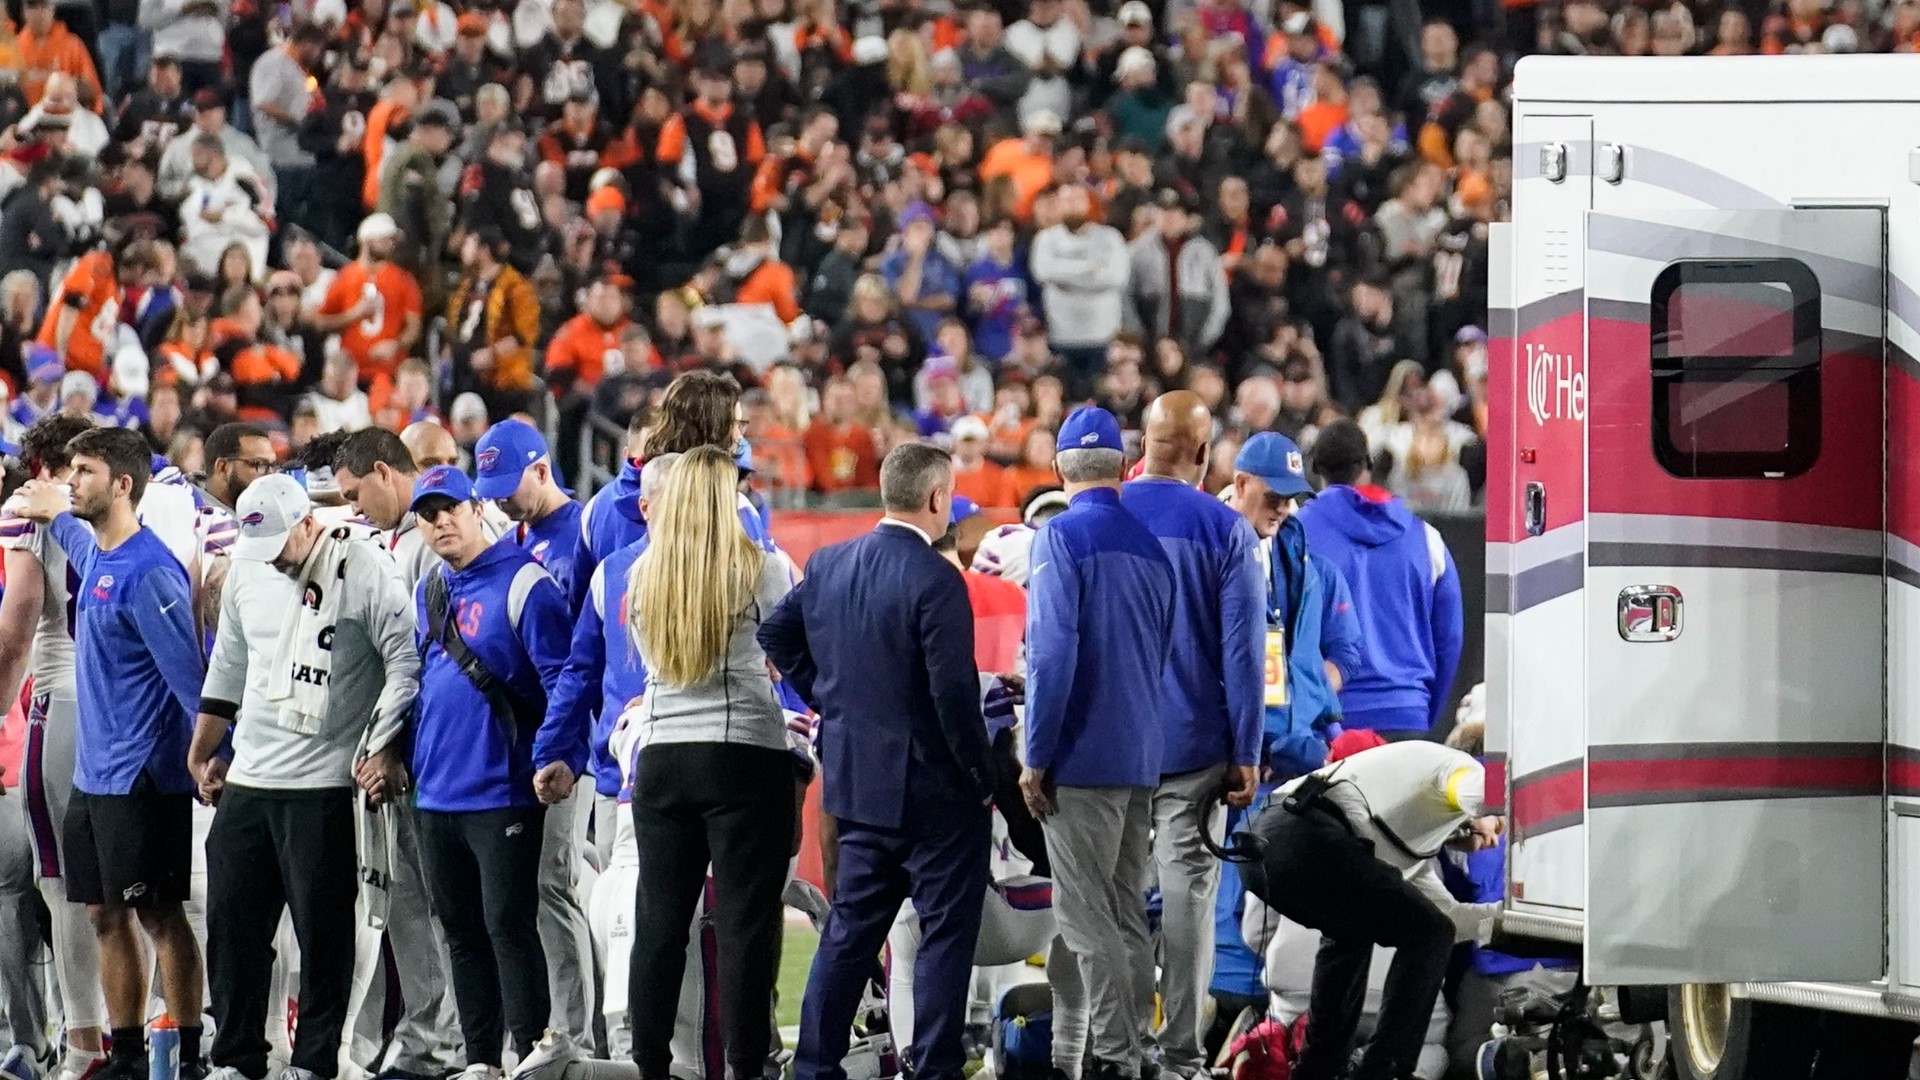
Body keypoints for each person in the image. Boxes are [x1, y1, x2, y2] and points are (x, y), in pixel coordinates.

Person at [759, 442, 993, 1080]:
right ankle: (935, 1068)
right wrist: (984, 778)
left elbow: (774, 634)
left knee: (849, 936)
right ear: (938, 498)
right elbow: (953, 694)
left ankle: (813, 1067)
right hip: (937, 794)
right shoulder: (936, 578)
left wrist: (831, 700)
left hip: (859, 786)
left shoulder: (831, 564)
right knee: (943, 939)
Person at [185, 473, 419, 1080]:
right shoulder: (247, 566)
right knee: (233, 930)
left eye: (281, 548)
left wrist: (383, 745)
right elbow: (231, 663)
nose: (273, 563)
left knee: (324, 940)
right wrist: (205, 745)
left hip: (324, 786)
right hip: (253, 780)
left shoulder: (363, 567)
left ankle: (316, 1064)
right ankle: (237, 1060)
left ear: (308, 523)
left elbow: (404, 661)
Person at [11, 426, 208, 1080]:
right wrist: (43, 499)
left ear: (122, 485)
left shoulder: (152, 571)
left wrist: (211, 760)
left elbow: (190, 680)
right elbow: (61, 520)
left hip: (143, 779)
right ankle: (123, 1053)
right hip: (96, 777)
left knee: (159, 914)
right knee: (101, 913)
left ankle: (185, 1053)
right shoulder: (94, 548)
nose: (75, 482)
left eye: (86, 472)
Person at [625, 445, 798, 1080]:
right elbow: (789, 653)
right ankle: (746, 1068)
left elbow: (649, 663)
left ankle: (650, 1067)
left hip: (664, 755)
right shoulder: (759, 566)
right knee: (745, 928)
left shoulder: (643, 573)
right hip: (745, 753)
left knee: (659, 924)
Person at [407, 463, 580, 1078]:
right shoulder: (431, 589)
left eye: (449, 507)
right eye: (427, 514)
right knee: (460, 932)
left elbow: (564, 678)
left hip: (503, 788)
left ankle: (533, 1049)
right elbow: (415, 682)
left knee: (508, 925)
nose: (439, 522)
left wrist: (557, 754)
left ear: (477, 508)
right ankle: (481, 1060)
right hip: (435, 791)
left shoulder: (526, 582)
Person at [1020, 407, 1175, 1080]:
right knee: (1125, 914)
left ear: (1059, 469)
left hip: (1080, 757)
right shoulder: (1152, 546)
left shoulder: (1058, 539)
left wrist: (1037, 755)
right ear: (1123, 467)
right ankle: (1136, 1046)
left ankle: (1116, 1058)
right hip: (1141, 752)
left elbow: (1052, 657)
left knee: (1085, 918)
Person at [1116, 391, 1263, 1080]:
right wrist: (1248, 752)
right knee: (1188, 901)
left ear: (1143, 444)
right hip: (1195, 747)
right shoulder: (1225, 530)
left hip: (1108, 748)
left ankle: (1111, 1046)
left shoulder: (1099, 516)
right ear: (1203, 454)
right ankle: (1177, 1056)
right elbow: (1243, 654)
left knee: (1107, 899)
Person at [1237, 741, 1502, 1080]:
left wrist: (1515, 921)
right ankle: (1384, 1070)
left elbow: (1453, 920)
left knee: (1352, 932)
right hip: (1300, 831)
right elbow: (1479, 793)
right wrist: (1504, 801)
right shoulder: (1458, 768)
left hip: (1271, 846)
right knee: (1426, 932)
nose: (1495, 840)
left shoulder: (1411, 846)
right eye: (1499, 828)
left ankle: (1319, 1069)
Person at [471, 417, 597, 1047]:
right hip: (532, 734)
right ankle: (563, 1026)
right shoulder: (519, 534)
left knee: (554, 883)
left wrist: (573, 745)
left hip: (576, 736)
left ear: (542, 469)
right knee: (555, 884)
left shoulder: (583, 532)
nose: (496, 496)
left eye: (505, 482)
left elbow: (588, 649)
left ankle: (574, 1036)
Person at [1294, 420, 1462, 738]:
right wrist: (1424, 711)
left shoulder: (1295, 536)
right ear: (1368, 464)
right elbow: (1449, 639)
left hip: (1327, 726)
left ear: (1314, 468)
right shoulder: (1427, 539)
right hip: (1408, 715)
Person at [312, 214, 424, 387]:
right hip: (350, 374)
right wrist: (354, 315)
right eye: (385, 239)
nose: (390, 244)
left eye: (392, 240)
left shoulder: (404, 280)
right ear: (367, 240)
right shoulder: (344, 277)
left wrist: (395, 345)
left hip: (388, 373)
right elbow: (321, 323)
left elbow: (414, 327)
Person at [198, 422, 273, 511]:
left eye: (273, 465)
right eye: (260, 464)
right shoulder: (189, 517)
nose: (270, 474)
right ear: (223, 468)